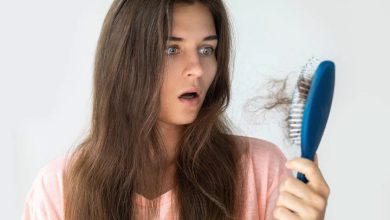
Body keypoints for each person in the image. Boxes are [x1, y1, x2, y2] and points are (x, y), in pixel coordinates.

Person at [22, 0, 330, 219]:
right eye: (172, 49)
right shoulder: (59, 190)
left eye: (206, 49)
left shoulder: (260, 171)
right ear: (124, 61)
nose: (196, 69)